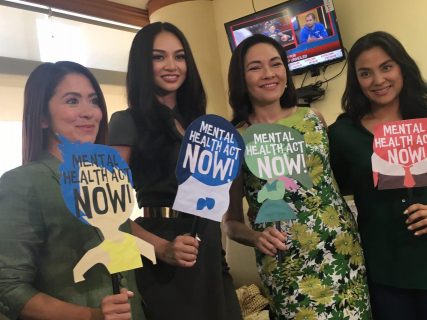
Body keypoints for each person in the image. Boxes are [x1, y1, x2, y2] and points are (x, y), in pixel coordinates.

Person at [224, 34, 372, 319]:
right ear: (240, 78)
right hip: (287, 263)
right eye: (255, 67)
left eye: (275, 64)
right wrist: (255, 237)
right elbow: (230, 223)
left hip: (342, 250)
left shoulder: (313, 118)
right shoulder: (236, 139)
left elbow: (331, 184)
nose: (269, 74)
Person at [108, 22, 242, 320]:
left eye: (179, 56)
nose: (172, 65)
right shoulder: (125, 121)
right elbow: (107, 215)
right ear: (142, 64)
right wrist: (161, 248)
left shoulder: (201, 124)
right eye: (159, 57)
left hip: (207, 248)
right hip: (162, 250)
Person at [0, 61, 145, 320]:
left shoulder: (108, 177)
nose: (89, 112)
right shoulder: (23, 182)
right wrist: (92, 315)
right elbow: (8, 288)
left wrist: (164, 248)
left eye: (93, 101)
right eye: (72, 101)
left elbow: (120, 249)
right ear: (42, 117)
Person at [329, 31, 427, 320]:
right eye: (365, 73)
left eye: (386, 67)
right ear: (356, 80)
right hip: (383, 269)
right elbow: (327, 190)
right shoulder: (342, 134)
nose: (378, 80)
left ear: (401, 67)